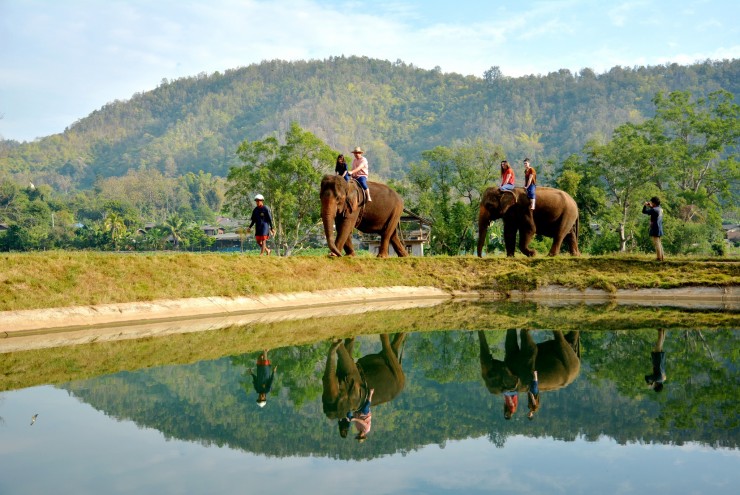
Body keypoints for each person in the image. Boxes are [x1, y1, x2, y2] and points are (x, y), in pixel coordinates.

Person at [645, 329, 667, 393]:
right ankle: (660, 329)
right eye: (654, 387)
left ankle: (663, 329)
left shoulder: (663, 379)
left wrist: (652, 382)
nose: (653, 386)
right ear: (656, 386)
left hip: (662, 360)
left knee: (661, 344)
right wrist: (649, 384)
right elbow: (647, 377)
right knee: (658, 344)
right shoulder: (657, 379)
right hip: (658, 361)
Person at [642, 196, 664, 261]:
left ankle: (659, 258)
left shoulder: (654, 210)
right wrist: (651, 206)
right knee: (659, 243)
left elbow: (644, 211)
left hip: (655, 227)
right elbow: (655, 210)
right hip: (659, 227)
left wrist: (645, 205)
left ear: (654, 203)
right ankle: (661, 257)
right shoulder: (660, 209)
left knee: (656, 243)